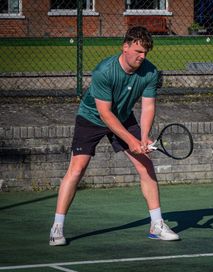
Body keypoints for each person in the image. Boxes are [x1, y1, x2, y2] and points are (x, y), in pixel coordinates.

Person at [49, 26, 180, 246]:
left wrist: (144, 137)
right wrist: (131, 141)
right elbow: (105, 114)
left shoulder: (150, 72)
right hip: (92, 117)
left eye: (145, 53)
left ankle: (156, 225)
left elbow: (148, 107)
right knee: (77, 168)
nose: (142, 56)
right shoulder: (104, 71)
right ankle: (57, 227)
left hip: (125, 115)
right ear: (125, 46)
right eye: (138, 51)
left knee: (145, 165)